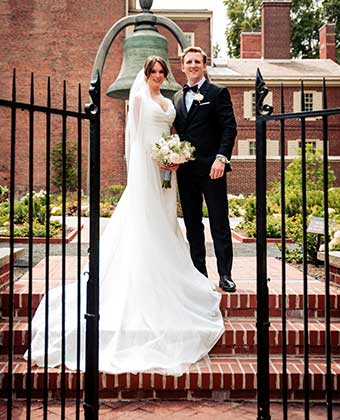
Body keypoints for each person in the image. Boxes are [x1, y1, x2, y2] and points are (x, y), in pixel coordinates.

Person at [25, 56, 224, 376]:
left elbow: (172, 131)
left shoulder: (169, 99)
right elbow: (135, 139)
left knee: (167, 223)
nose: (158, 76)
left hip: (167, 172)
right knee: (146, 223)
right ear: (145, 74)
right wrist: (154, 160)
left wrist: (173, 157)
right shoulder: (138, 96)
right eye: (153, 72)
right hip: (149, 169)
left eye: (162, 71)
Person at [173, 46, 237, 293]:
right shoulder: (177, 98)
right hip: (186, 171)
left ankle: (225, 274)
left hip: (213, 169)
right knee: (192, 224)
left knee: (219, 222)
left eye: (197, 61)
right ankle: (199, 274)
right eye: (188, 62)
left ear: (204, 64)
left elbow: (229, 128)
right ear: (182, 66)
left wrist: (221, 158)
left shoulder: (218, 92)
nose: (193, 65)